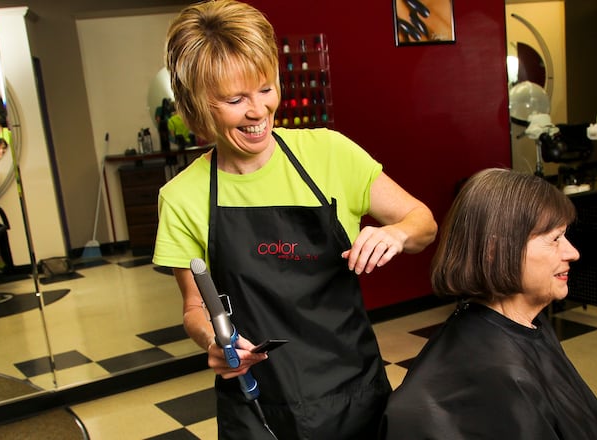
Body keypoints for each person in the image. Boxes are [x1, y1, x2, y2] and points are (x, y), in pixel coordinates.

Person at [152, 1, 437, 438]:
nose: (258, 111)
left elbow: (423, 223)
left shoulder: (329, 154)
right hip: (256, 402)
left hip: (352, 390)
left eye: (266, 89)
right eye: (235, 99)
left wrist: (397, 233)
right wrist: (213, 341)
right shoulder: (182, 197)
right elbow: (195, 305)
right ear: (197, 105)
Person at [380, 168, 597, 440]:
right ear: (495, 250)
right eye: (555, 239)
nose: (572, 252)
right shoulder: (497, 374)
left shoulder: (525, 324)